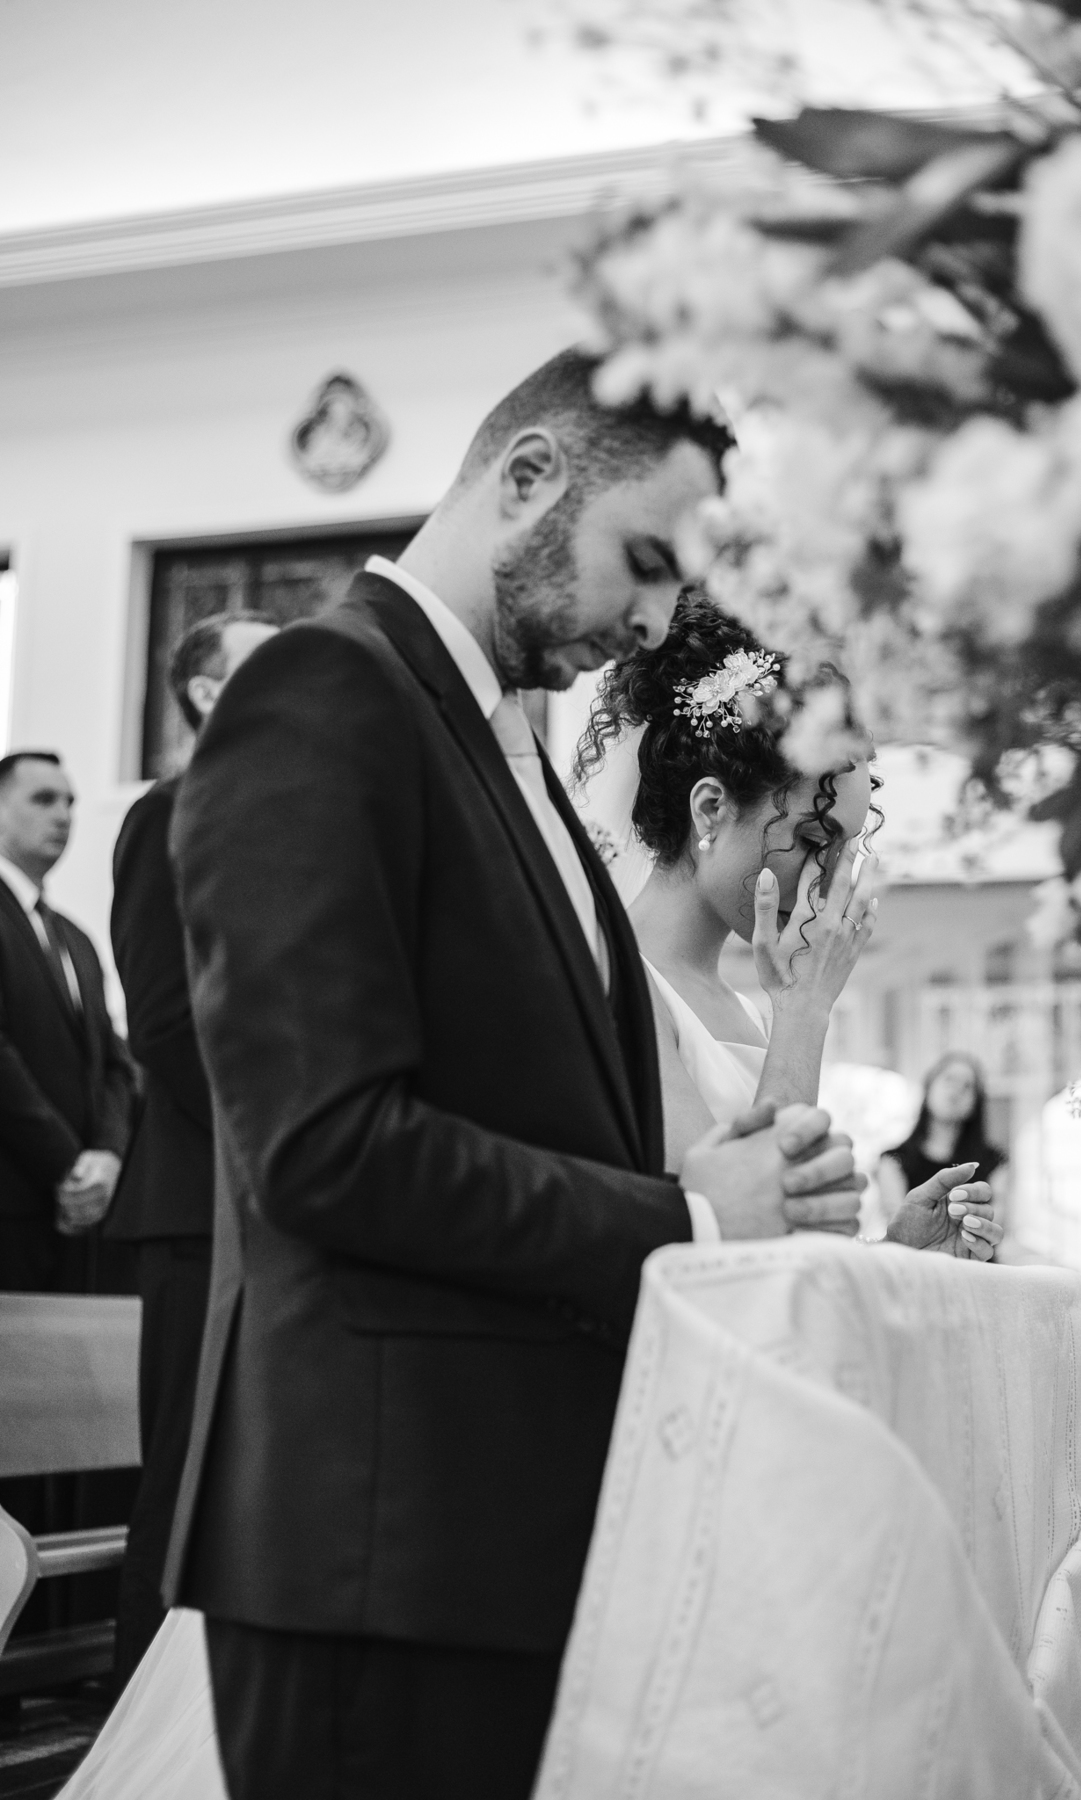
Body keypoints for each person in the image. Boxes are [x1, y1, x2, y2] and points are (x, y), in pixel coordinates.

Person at [154, 346, 871, 1800]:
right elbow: (323, 1146)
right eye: (647, 562)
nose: (657, 620)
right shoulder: (323, 691)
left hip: (504, 1531)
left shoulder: (506, 751)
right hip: (379, 1543)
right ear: (531, 475)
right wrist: (688, 1215)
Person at [574, 592, 1001, 1261]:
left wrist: (897, 1251)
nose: (825, 884)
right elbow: (734, 1250)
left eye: (841, 853)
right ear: (710, 810)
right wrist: (805, 1009)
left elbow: (791, 1262)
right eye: (811, 840)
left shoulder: (749, 1013)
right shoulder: (614, 981)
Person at [106, 611, 278, 1690]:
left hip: (266, 1199)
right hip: (196, 1198)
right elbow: (165, 1021)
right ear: (208, 692)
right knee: (181, 1476)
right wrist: (279, 1133)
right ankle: (132, 1713)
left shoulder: (282, 815)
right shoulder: (165, 813)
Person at [0, 750, 136, 1293]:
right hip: (13, 1201)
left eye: (71, 802)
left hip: (82, 1208)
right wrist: (68, 1165)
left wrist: (107, 1156)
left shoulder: (76, 939)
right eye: (43, 799)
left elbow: (114, 1064)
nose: (63, 815)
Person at [877, 1053, 1009, 1230]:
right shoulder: (893, 1160)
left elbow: (997, 1222)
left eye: (967, 1086)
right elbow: (897, 1225)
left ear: (976, 1102)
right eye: (949, 1079)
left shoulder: (996, 1162)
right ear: (929, 1086)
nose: (956, 1091)